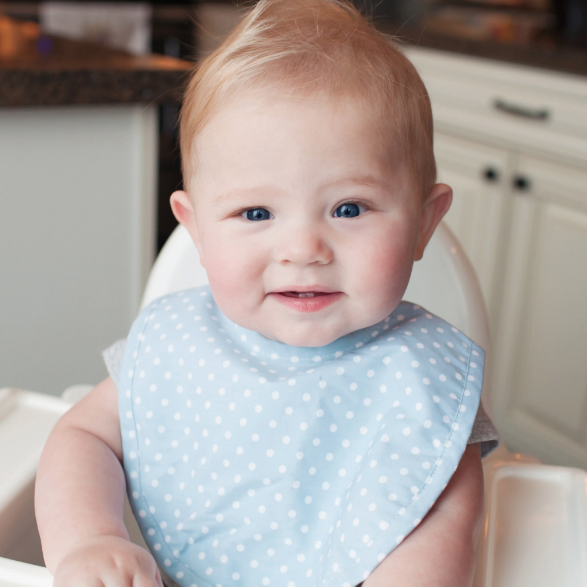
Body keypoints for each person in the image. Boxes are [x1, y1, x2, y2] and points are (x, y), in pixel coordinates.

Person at [35, 1, 499, 586]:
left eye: (348, 208)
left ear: (424, 224)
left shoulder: (424, 378)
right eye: (256, 212)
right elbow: (82, 437)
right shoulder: (175, 349)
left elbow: (444, 524)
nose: (303, 249)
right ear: (197, 230)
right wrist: (89, 540)